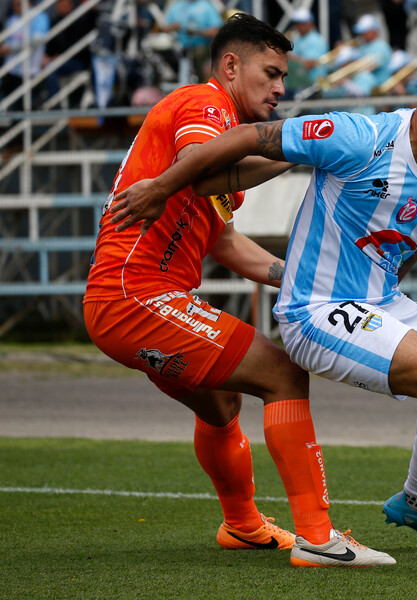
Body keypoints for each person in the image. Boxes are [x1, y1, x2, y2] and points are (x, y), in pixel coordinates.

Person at [107, 31, 417, 579]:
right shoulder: (359, 136)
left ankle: (415, 503)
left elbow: (404, 250)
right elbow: (237, 144)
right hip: (314, 309)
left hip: (378, 297)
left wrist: (383, 310)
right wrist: (163, 187)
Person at [82, 14, 393, 569]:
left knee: (223, 403)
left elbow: (222, 242)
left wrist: (297, 276)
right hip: (136, 296)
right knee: (281, 374)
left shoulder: (221, 131)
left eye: (284, 76)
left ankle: (244, 527)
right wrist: (300, 149)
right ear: (230, 66)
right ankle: (319, 539)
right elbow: (194, 167)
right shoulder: (205, 105)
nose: (280, 88)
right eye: (271, 73)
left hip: (137, 299)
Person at [0, 0, 51, 111]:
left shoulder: (39, 17)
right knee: (13, 106)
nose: (16, 7)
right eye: (14, 4)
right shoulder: (12, 19)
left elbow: (36, 41)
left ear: (29, 3)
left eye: (19, 4)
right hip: (12, 70)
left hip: (31, 69)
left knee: (25, 106)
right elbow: (6, 43)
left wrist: (10, 48)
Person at [162, 0, 223, 81]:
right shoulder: (176, 6)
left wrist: (199, 32)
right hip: (179, 47)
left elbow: (217, 30)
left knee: (199, 52)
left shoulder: (206, 6)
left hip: (201, 46)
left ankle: (200, 79)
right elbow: (164, 28)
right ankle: (175, 78)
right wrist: (173, 27)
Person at [283, 7, 327, 96]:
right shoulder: (297, 38)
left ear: (310, 23)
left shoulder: (316, 40)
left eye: (301, 23)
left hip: (312, 86)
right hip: (298, 83)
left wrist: (289, 56)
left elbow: (309, 65)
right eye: (296, 23)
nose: (297, 26)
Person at [353, 14, 393, 89]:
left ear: (373, 31)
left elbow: (370, 66)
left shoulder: (381, 46)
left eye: (365, 32)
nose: (362, 34)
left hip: (379, 86)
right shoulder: (363, 46)